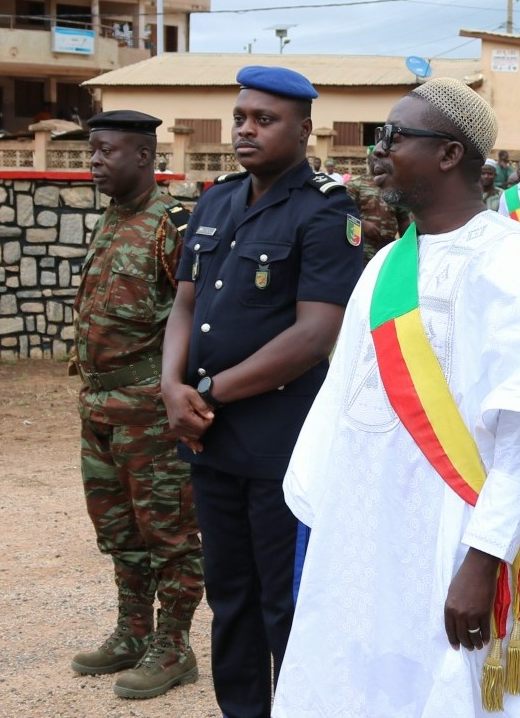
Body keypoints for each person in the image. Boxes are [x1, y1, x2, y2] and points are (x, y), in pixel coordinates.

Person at [276, 78, 520, 717]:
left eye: (393, 137)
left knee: (458, 688)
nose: (375, 152)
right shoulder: (385, 267)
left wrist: (484, 557)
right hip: (372, 526)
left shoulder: (514, 265)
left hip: (458, 527)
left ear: (448, 154)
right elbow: (346, 404)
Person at [160, 66, 365, 718]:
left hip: (282, 448)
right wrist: (171, 384)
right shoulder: (217, 200)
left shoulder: (327, 210)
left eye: (265, 119)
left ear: (304, 129)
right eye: (241, 116)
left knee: (288, 603)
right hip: (212, 442)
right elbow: (185, 304)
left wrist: (207, 389)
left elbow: (314, 335)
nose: (247, 128)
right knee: (231, 600)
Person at [69, 110, 203, 699]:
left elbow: (196, 318)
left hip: (149, 411)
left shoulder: (171, 223)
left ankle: (173, 647)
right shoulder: (111, 218)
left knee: (168, 532)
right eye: (92, 151)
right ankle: (132, 631)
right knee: (118, 530)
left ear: (145, 157)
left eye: (106, 151)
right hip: (99, 406)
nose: (94, 161)